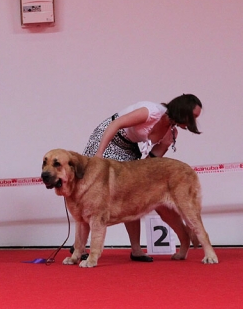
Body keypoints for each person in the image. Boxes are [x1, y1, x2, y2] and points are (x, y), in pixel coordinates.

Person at [79, 94, 202, 262]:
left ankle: (136, 249)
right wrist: (99, 154)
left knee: (131, 194)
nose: (193, 122)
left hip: (128, 145)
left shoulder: (170, 135)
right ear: (183, 111)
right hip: (109, 137)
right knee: (93, 196)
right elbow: (116, 124)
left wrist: (140, 182)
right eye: (193, 116)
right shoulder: (151, 112)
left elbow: (151, 163)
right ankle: (79, 247)